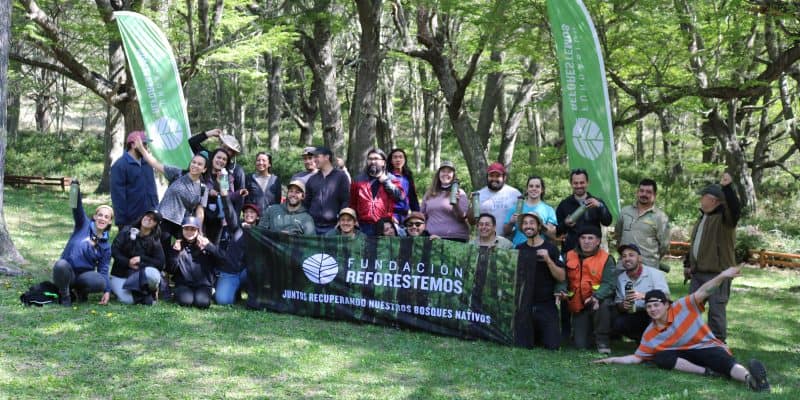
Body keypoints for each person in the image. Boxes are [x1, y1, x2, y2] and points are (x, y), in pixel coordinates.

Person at [595, 267, 770, 393]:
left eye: (657, 305)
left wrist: (723, 276)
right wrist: (612, 360)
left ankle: (752, 380)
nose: (653, 309)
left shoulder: (682, 306)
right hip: (684, 355)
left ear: (666, 305)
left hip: (705, 346)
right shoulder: (650, 333)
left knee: (725, 362)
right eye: (649, 307)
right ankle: (708, 372)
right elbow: (636, 358)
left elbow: (704, 290)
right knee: (661, 357)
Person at [684, 172, 741, 342]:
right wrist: (688, 264)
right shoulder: (703, 217)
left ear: (714, 200)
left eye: (703, 196)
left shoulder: (726, 220)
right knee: (690, 309)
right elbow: (696, 244)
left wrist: (727, 188)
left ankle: (718, 344)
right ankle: (690, 340)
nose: (701, 199)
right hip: (697, 273)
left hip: (718, 274)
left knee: (716, 311)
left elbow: (735, 208)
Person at [52, 181, 114, 306]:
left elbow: (103, 270)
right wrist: (75, 187)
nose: (102, 218)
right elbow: (76, 206)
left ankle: (81, 291)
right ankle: (65, 295)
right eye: (100, 215)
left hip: (83, 276)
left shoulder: (105, 246)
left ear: (109, 221)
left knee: (100, 281)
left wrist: (107, 291)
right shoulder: (83, 224)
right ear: (95, 217)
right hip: (67, 272)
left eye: (106, 217)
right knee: (60, 265)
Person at [135, 138, 209, 243]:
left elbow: (200, 211)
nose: (195, 166)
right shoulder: (177, 173)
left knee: (180, 253)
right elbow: (155, 163)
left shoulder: (203, 188)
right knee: (160, 250)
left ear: (204, 169)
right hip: (164, 220)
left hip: (183, 225)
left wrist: (199, 229)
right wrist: (142, 149)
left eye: (199, 164)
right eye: (194, 162)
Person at [513, 212, 565, 350]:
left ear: (539, 226)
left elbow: (561, 277)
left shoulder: (551, 248)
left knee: (552, 345)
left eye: (532, 223)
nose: (528, 226)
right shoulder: (519, 249)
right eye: (525, 223)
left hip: (546, 304)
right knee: (523, 344)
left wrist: (548, 260)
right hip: (525, 304)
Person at [563, 225, 616, 353]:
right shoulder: (568, 255)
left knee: (604, 305)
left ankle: (602, 340)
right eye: (583, 238)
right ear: (579, 240)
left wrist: (597, 296)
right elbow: (561, 277)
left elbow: (609, 283)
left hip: (597, 301)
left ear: (598, 241)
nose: (586, 241)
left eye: (590, 238)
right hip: (578, 304)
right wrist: (561, 290)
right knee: (581, 345)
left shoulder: (606, 258)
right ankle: (587, 333)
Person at [613, 243, 669, 341]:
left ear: (639, 258)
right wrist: (623, 305)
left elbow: (666, 296)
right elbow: (618, 303)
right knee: (619, 323)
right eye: (624, 256)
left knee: (655, 317)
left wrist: (644, 296)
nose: (627, 259)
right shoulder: (620, 278)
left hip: (655, 313)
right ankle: (641, 339)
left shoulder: (655, 273)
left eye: (631, 255)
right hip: (635, 313)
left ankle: (656, 339)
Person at [614, 178, 671, 272]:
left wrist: (652, 259)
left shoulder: (661, 217)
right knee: (620, 287)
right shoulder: (625, 211)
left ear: (654, 195)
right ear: (637, 192)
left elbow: (664, 246)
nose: (644, 194)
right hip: (623, 266)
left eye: (648, 192)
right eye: (641, 191)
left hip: (648, 268)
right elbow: (618, 236)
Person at [167, 216, 224, 309]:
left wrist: (209, 246)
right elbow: (171, 269)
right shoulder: (177, 245)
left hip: (203, 284)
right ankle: (177, 293)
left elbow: (222, 260)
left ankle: (209, 293)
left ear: (198, 231)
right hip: (184, 284)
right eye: (186, 229)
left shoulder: (205, 243)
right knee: (186, 301)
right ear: (182, 230)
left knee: (202, 303)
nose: (189, 232)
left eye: (193, 229)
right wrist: (175, 253)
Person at [110, 209, 165, 305]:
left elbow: (160, 263)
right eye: (148, 216)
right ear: (143, 217)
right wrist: (128, 262)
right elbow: (114, 250)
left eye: (153, 219)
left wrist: (141, 259)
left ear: (155, 225)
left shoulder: (155, 240)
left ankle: (150, 291)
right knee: (127, 300)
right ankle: (143, 295)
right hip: (120, 273)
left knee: (154, 275)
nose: (149, 219)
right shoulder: (126, 230)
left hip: (140, 275)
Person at [214, 191, 260, 306]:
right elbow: (229, 213)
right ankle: (232, 290)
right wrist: (224, 196)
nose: (249, 214)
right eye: (246, 212)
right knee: (223, 301)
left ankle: (253, 294)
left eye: (252, 212)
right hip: (230, 272)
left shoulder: (261, 233)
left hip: (247, 273)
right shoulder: (236, 228)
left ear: (258, 216)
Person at [555, 168, 613, 254]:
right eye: (575, 183)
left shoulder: (597, 202)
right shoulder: (564, 204)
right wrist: (565, 224)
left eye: (582, 182)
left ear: (587, 183)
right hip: (571, 252)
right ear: (571, 184)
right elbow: (557, 231)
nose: (579, 186)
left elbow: (607, 222)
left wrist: (600, 207)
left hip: (593, 252)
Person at [349, 148, 405, 236]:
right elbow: (352, 203)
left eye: (376, 159)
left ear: (383, 162)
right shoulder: (358, 179)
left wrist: (386, 181)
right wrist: (353, 220)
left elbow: (400, 197)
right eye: (370, 159)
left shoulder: (391, 179)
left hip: (384, 226)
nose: (373, 161)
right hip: (363, 225)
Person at [110, 130, 158, 228]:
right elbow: (118, 196)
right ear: (133, 145)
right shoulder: (120, 166)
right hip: (131, 220)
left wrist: (155, 210)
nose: (146, 147)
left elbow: (152, 189)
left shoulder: (147, 163)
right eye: (143, 144)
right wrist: (122, 222)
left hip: (150, 217)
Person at [304, 146, 350, 234]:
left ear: (327, 157)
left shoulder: (341, 177)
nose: (314, 160)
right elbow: (306, 203)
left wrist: (342, 221)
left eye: (317, 156)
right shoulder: (312, 179)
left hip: (333, 227)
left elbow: (346, 201)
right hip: (312, 227)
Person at [468, 162, 522, 237]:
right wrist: (472, 203)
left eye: (498, 176)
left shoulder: (515, 194)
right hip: (484, 240)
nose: (494, 179)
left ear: (504, 177)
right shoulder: (478, 194)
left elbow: (522, 220)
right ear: (487, 177)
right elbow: (472, 222)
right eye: (491, 176)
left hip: (508, 239)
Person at [420, 161, 469, 242]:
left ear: (453, 175)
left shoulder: (459, 192)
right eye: (443, 171)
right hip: (432, 237)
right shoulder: (429, 193)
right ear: (438, 174)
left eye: (449, 172)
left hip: (455, 238)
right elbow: (422, 216)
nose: (446, 174)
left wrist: (455, 204)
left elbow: (463, 217)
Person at [189, 128, 246, 196]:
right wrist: (209, 133)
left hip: (223, 204)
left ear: (233, 154)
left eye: (229, 149)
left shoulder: (236, 170)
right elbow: (192, 142)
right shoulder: (209, 157)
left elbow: (238, 194)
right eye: (224, 147)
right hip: (202, 203)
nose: (225, 150)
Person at [504, 176, 558, 246]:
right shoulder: (516, 208)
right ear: (527, 189)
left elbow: (553, 235)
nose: (534, 189)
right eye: (531, 186)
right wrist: (511, 223)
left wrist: (540, 223)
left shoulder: (548, 210)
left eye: (537, 186)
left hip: (539, 250)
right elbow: (505, 232)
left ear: (542, 190)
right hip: (518, 249)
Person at [388, 148, 420, 224]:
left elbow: (413, 197)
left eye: (400, 157)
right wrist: (389, 216)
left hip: (405, 216)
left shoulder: (408, 176)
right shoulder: (387, 176)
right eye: (395, 157)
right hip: (391, 215)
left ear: (404, 160)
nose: (398, 160)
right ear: (391, 160)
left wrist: (417, 214)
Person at [244, 151, 281, 217]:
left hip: (270, 219)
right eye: (258, 160)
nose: (261, 163)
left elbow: (278, 201)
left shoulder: (275, 180)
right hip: (253, 220)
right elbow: (244, 200)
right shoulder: (248, 178)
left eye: (264, 160)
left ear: (269, 164)